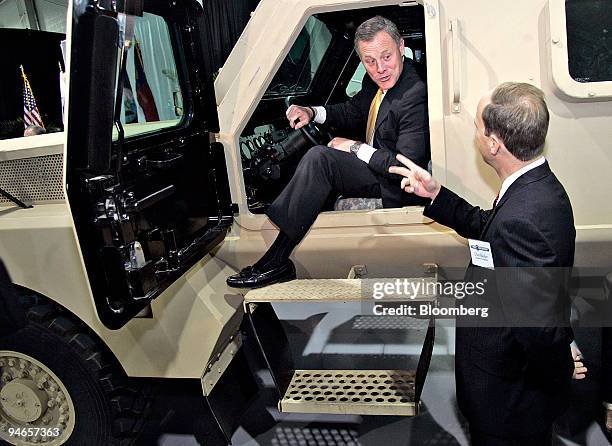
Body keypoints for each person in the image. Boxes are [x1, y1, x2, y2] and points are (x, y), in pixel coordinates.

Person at [390, 82, 576, 445]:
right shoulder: (535, 189)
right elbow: (491, 229)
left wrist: (561, 365)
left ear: (494, 144)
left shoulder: (522, 218)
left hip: (507, 405)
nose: (475, 133)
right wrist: (436, 195)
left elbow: (537, 330)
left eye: (478, 126)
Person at [227, 15, 430, 288]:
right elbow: (352, 111)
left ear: (401, 46)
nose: (380, 68)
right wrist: (311, 112)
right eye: (370, 61)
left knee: (320, 159)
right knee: (321, 159)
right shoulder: (377, 82)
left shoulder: (414, 91)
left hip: (392, 181)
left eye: (387, 57)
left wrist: (355, 147)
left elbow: (406, 168)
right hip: (377, 164)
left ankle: (276, 260)